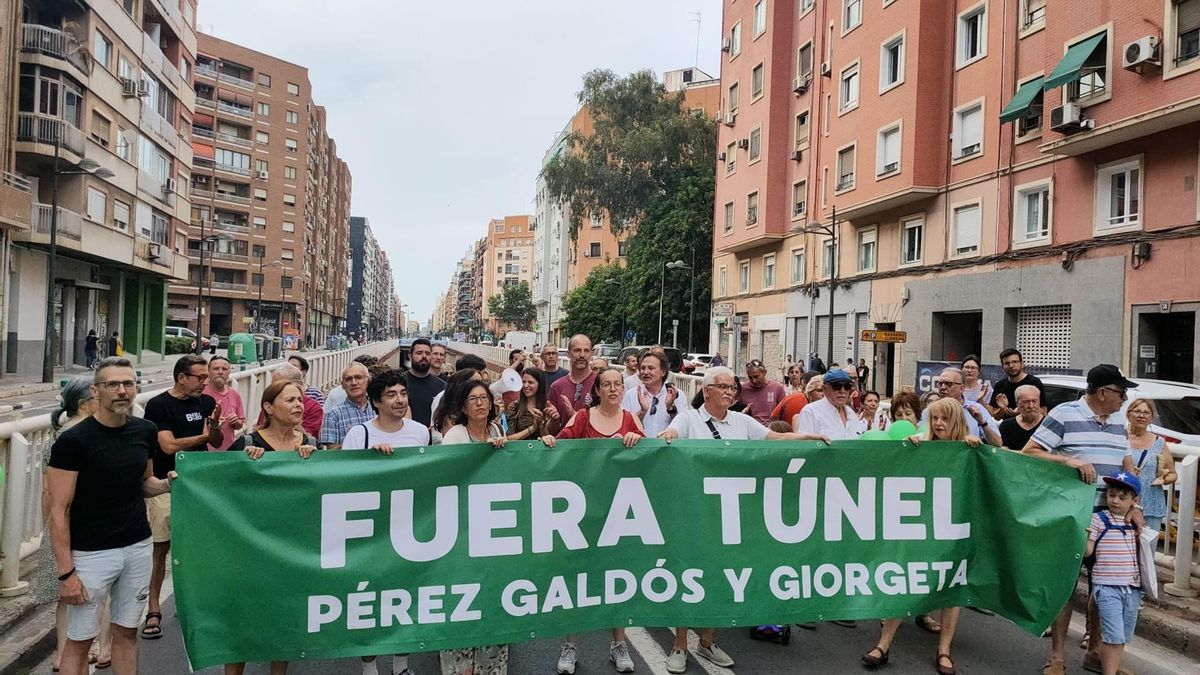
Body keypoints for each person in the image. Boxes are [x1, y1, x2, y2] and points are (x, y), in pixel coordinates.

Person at [658, 366, 827, 673]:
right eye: (723, 387)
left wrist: (808, 437)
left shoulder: (741, 422)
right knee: (689, 578)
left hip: (731, 518)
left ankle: (707, 642)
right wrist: (668, 435)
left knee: (723, 581)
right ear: (707, 390)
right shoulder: (689, 418)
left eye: (732, 388)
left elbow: (775, 438)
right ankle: (680, 645)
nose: (729, 392)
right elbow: (671, 434)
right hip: (695, 515)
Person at [47, 357, 174, 675]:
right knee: (79, 641)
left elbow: (145, 484)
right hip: (90, 554)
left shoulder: (146, 431)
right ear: (95, 390)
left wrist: (170, 483)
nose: (122, 391)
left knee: (127, 633)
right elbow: (58, 511)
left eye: (128, 384)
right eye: (112, 384)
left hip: (137, 548)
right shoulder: (73, 442)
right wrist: (66, 574)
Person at [1021, 364, 1141, 675]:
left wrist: (1135, 506)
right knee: (1067, 586)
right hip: (1073, 516)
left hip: (1113, 518)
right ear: (1103, 392)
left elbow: (1127, 465)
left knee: (1107, 587)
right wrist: (1069, 460)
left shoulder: (1117, 420)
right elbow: (1029, 452)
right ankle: (1057, 656)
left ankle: (1096, 651)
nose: (1124, 399)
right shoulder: (1064, 414)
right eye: (1121, 392)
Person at [865, 398, 981, 674]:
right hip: (920, 527)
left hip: (953, 529)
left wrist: (973, 446)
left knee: (951, 587)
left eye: (944, 419)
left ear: (956, 421)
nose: (939, 424)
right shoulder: (921, 442)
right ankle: (883, 645)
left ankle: (944, 651)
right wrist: (913, 443)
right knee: (906, 581)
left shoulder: (968, 448)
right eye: (935, 419)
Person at [541, 367, 642, 674]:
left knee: (618, 580)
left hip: (619, 516)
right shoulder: (582, 418)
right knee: (576, 579)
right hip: (582, 514)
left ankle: (619, 644)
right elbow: (560, 446)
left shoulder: (631, 420)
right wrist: (547, 439)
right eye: (606, 385)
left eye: (617, 384)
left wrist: (637, 441)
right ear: (596, 390)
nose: (613, 389)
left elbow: (650, 461)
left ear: (623, 388)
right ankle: (569, 646)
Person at [339, 369, 425, 675]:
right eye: (391, 395)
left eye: (403, 393)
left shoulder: (420, 432)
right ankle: (370, 665)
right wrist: (370, 463)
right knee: (369, 602)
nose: (399, 400)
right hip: (369, 532)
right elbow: (341, 481)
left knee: (406, 599)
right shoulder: (358, 435)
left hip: (408, 530)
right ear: (376, 402)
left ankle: (401, 665)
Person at [233, 380, 319, 675]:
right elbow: (218, 487)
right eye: (291, 400)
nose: (299, 405)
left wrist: (313, 463)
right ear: (268, 408)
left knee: (284, 622)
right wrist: (242, 466)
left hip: (292, 550)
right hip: (251, 551)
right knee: (243, 621)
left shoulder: (311, 445)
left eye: (300, 400)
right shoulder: (247, 445)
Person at [142, 354, 222, 640]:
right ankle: (153, 609)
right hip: (166, 483)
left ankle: (191, 603)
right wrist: (202, 437)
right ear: (181, 377)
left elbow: (215, 441)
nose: (205, 382)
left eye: (206, 377)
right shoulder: (159, 405)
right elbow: (167, 446)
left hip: (198, 484)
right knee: (160, 549)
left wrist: (212, 429)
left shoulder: (207, 403)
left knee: (196, 548)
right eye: (200, 377)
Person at [436, 381, 507, 674]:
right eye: (473, 399)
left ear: (491, 404)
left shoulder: (496, 432)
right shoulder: (455, 435)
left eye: (484, 398)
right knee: (461, 600)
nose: (479, 403)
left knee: (492, 599)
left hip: (492, 530)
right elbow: (447, 473)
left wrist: (502, 451)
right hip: (461, 530)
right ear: (464, 407)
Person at [42, 377, 108, 671]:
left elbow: (48, 495)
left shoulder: (59, 436)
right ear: (85, 403)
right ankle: (98, 648)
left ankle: (61, 653)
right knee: (98, 593)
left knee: (66, 596)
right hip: (89, 525)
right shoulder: (81, 438)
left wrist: (51, 527)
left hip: (60, 526)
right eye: (97, 393)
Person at [1086, 472, 1145, 675]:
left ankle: (1110, 667)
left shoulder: (1135, 523)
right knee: (1113, 636)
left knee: (1122, 636)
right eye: (1111, 495)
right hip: (1106, 585)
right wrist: (1082, 535)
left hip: (1132, 588)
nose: (1115, 501)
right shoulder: (1098, 519)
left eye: (1122, 497)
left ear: (1133, 501)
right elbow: (1088, 551)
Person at [1126, 398, 1177, 534]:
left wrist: (1163, 480)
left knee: (1147, 550)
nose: (1142, 415)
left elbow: (1173, 474)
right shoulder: (1120, 438)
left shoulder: (1159, 442)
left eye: (1146, 413)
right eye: (1137, 411)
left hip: (1152, 502)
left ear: (1151, 418)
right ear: (1129, 414)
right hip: (1123, 502)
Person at [922, 368, 1002, 447]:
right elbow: (924, 437)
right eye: (940, 383)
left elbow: (997, 443)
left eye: (948, 383)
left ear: (962, 388)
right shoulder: (929, 411)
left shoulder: (977, 409)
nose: (942, 387)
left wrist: (982, 422)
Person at [621, 350, 689, 438]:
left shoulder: (676, 395)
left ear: (663, 372)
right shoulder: (631, 395)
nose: (645, 372)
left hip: (667, 448)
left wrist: (671, 408)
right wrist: (642, 412)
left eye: (651, 368)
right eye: (643, 368)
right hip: (639, 448)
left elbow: (683, 428)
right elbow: (625, 427)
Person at [793, 369, 866, 440]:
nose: (842, 391)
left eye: (847, 386)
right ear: (824, 389)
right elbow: (805, 446)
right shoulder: (811, 412)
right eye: (836, 386)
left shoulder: (851, 414)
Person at [320, 362, 375, 449]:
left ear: (368, 381)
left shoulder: (380, 409)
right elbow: (331, 452)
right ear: (342, 385)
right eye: (348, 379)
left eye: (358, 377)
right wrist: (353, 439)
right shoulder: (333, 414)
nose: (353, 383)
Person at [549, 334, 598, 423]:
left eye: (586, 351)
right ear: (568, 354)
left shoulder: (601, 383)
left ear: (591, 354)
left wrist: (574, 415)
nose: (582, 355)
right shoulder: (556, 386)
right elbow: (550, 431)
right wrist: (554, 420)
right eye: (577, 350)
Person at [504, 368, 561, 440]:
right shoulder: (514, 407)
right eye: (524, 382)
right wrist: (532, 428)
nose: (525, 385)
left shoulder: (547, 407)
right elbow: (509, 438)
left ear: (540, 384)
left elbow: (549, 438)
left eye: (530, 382)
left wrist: (541, 425)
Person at [203, 356, 246, 452]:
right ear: (209, 372)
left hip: (228, 451)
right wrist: (212, 422)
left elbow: (240, 424)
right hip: (204, 452)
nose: (220, 372)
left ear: (229, 372)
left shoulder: (234, 394)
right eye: (216, 368)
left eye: (225, 369)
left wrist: (235, 421)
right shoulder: (201, 393)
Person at [989, 348, 1045, 419]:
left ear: (1022, 364)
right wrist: (1002, 409)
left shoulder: (1034, 382)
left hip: (1030, 429)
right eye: (1007, 363)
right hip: (1008, 428)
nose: (1011, 366)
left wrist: (1021, 412)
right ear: (1003, 367)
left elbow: (1043, 411)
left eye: (1015, 362)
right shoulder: (999, 385)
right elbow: (996, 417)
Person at [405, 338, 446, 426]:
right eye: (419, 353)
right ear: (410, 356)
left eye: (427, 353)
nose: (424, 356)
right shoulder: (398, 382)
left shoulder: (442, 386)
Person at [739, 359, 787, 425]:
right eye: (750, 378)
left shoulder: (777, 388)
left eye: (756, 377)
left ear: (764, 372)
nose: (754, 381)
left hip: (771, 429)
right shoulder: (743, 388)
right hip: (750, 428)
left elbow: (784, 412)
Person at [998, 384, 1044, 451]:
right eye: (1025, 402)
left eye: (1034, 401)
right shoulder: (1006, 426)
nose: (1031, 406)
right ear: (1017, 403)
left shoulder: (1049, 425)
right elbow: (1003, 451)